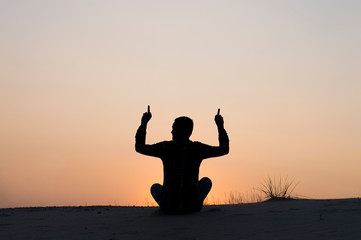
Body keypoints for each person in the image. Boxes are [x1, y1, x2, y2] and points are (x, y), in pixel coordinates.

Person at [135, 106, 229, 214]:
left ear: (177, 130)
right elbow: (224, 149)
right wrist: (220, 126)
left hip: (168, 206)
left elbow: (140, 147)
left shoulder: (166, 147)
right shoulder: (197, 148)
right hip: (192, 206)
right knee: (206, 182)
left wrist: (144, 123)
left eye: (173, 128)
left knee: (155, 187)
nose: (171, 131)